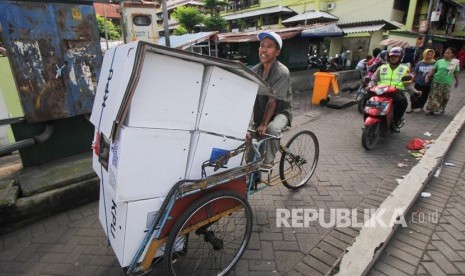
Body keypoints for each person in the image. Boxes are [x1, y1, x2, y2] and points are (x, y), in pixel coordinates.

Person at [248, 31, 292, 170]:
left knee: (272, 129)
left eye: (269, 46)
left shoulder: (282, 72)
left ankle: (269, 160)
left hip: (280, 112)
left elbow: (273, 100)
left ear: (277, 52)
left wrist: (264, 124)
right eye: (262, 45)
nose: (264, 49)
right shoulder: (254, 70)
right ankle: (251, 170)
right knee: (250, 141)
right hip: (261, 112)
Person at [368, 47, 409, 133]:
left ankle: (394, 122)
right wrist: (370, 85)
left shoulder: (405, 69)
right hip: (380, 91)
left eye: (396, 56)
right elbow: (374, 79)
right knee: (367, 98)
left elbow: (408, 83)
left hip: (397, 92)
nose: (393, 58)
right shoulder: (382, 67)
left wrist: (415, 92)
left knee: (403, 102)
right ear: (388, 57)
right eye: (391, 56)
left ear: (400, 57)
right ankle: (369, 115)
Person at [424, 47, 460, 115]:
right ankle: (431, 110)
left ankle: (442, 108)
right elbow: (433, 70)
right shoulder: (439, 61)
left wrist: (457, 81)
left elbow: (456, 73)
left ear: (452, 55)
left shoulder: (455, 63)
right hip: (436, 81)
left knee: (445, 97)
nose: (446, 54)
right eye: (445, 52)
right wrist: (428, 76)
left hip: (447, 83)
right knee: (434, 96)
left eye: (448, 53)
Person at [408, 49, 436, 113]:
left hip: (428, 83)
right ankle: (412, 108)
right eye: (428, 54)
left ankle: (421, 107)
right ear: (424, 54)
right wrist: (412, 80)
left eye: (431, 54)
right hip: (418, 82)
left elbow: (436, 72)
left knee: (425, 96)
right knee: (415, 95)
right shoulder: (420, 63)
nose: (429, 56)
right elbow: (415, 73)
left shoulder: (434, 63)